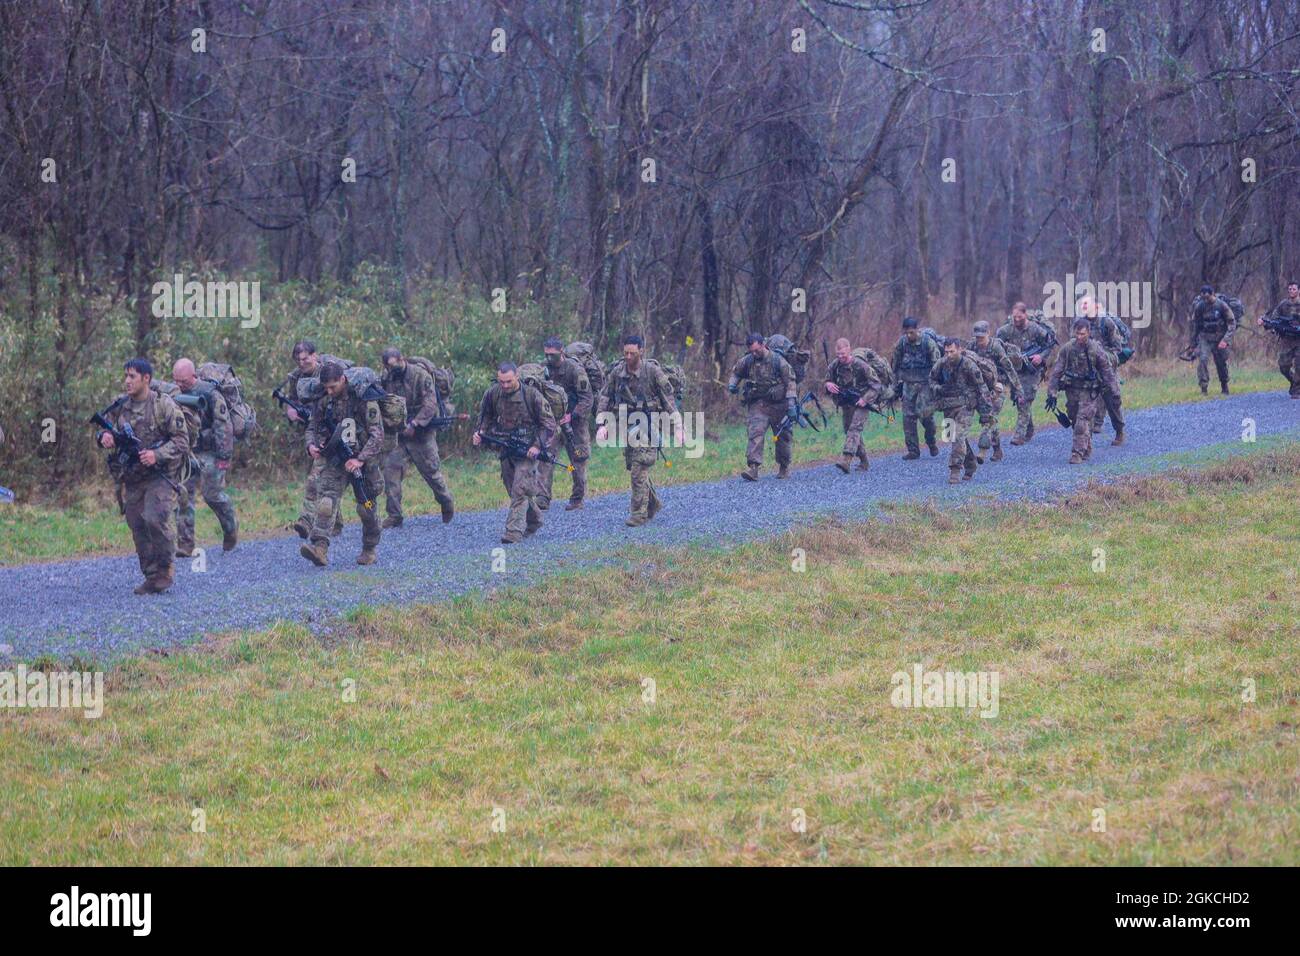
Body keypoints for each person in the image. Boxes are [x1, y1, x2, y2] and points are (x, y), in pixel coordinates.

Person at [95, 359, 190, 593]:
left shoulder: (163, 406)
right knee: (137, 523)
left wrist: (157, 454)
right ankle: (151, 575)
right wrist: (104, 438)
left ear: (146, 379)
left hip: (160, 474)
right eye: (126, 376)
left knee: (155, 518)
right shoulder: (120, 405)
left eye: (132, 376)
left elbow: (182, 441)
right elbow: (103, 430)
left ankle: (165, 570)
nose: (127, 381)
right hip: (133, 476)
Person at [300, 362, 385, 566]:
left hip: (363, 460)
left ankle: (369, 548)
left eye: (333, 387)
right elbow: (313, 425)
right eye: (326, 387)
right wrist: (311, 445)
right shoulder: (324, 400)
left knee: (367, 507)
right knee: (326, 502)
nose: (329, 391)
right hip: (336, 458)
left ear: (343, 380)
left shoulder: (364, 398)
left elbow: (377, 435)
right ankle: (319, 548)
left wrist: (360, 459)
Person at [596, 335, 680, 526]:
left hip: (650, 425)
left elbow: (668, 400)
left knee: (638, 468)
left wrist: (679, 427)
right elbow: (605, 397)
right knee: (634, 466)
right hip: (628, 425)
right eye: (625, 353)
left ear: (641, 351)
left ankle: (638, 514)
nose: (628, 356)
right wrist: (602, 425)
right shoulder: (617, 373)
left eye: (632, 353)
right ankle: (653, 504)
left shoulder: (652, 371)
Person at [473, 362, 556, 544]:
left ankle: (513, 532)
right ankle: (534, 519)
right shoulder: (493, 394)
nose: (504, 386)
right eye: (501, 382)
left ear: (516, 376)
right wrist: (480, 432)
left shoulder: (532, 395)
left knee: (520, 488)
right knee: (513, 489)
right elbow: (485, 415)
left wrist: (537, 446)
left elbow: (549, 424)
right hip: (506, 447)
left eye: (508, 381)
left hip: (528, 450)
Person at [378, 348, 455, 528]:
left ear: (401, 359)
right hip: (398, 434)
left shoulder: (420, 376)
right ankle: (394, 515)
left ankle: (446, 502)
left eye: (393, 364)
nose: (391, 369)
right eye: (387, 366)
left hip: (422, 433)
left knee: (431, 473)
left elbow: (430, 403)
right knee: (390, 472)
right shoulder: (386, 378)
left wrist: (415, 424)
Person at [282, 340, 349, 540]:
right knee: (322, 480)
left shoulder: (327, 373)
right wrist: (291, 411)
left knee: (316, 479)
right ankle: (333, 522)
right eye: (298, 359)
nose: (302, 363)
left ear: (315, 355)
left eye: (305, 358)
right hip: (312, 429)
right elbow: (293, 400)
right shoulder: (296, 378)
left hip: (335, 429)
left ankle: (307, 520)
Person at [172, 358, 238, 554]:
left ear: (193, 376)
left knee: (212, 495)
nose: (179, 385)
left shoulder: (210, 394)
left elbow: (223, 426)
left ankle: (230, 527)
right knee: (183, 495)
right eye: (175, 380)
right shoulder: (176, 394)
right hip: (188, 452)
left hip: (211, 453)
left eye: (182, 381)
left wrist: (224, 458)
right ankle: (185, 544)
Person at [1045, 319, 1122, 464]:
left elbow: (1107, 372)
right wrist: (1052, 392)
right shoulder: (1067, 349)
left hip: (1090, 391)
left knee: (1082, 420)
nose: (1080, 337)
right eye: (1077, 334)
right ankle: (1086, 446)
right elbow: (1056, 371)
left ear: (1088, 333)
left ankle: (1077, 453)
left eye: (1083, 334)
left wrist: (1114, 392)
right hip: (1072, 390)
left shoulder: (1096, 349)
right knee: (1074, 418)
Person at [727, 333, 797, 481]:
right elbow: (736, 372)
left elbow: (790, 382)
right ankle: (753, 468)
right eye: (751, 351)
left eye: (757, 350)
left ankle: (784, 467)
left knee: (782, 437)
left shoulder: (779, 361)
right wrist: (732, 384)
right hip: (759, 404)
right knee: (755, 433)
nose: (754, 353)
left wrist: (791, 405)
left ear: (763, 345)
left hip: (779, 405)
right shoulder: (748, 360)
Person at [928, 338, 992, 484]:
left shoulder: (969, 365)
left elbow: (981, 388)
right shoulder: (941, 364)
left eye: (952, 351)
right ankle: (970, 464)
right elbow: (931, 380)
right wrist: (938, 388)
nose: (949, 355)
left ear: (959, 350)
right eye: (946, 352)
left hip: (966, 406)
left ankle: (955, 470)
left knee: (958, 436)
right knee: (952, 437)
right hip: (948, 406)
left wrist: (986, 411)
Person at [542, 338, 594, 510]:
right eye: (547, 355)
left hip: (575, 422)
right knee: (546, 457)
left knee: (578, 460)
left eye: (553, 355)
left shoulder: (575, 369)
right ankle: (543, 498)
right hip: (552, 422)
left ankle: (577, 499)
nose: (550, 359)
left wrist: (572, 416)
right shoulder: (544, 369)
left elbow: (587, 399)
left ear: (562, 352)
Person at [996, 302, 1057, 444]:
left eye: (1020, 317)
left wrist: (1041, 357)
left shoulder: (1035, 329)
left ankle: (1019, 436)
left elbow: (1049, 344)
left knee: (1025, 399)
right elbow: (997, 346)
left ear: (1025, 315)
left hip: (1032, 371)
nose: (1017, 320)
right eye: (1014, 317)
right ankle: (1029, 429)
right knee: (1019, 400)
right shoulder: (1005, 330)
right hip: (1015, 371)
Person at [823, 337, 882, 474]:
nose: (840, 357)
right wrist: (827, 384)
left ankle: (846, 460)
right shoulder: (834, 365)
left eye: (843, 354)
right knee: (849, 430)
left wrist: (865, 399)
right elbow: (826, 381)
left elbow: (876, 384)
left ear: (849, 350)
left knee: (854, 429)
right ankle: (864, 460)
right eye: (838, 355)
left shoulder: (861, 365)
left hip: (862, 402)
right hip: (847, 403)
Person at [967, 321, 1022, 463]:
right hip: (979, 388)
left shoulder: (996, 347)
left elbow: (1009, 369)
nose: (979, 340)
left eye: (982, 337)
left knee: (989, 418)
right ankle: (997, 449)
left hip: (997, 388)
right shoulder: (971, 346)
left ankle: (982, 450)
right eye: (977, 337)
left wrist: (1018, 389)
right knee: (991, 421)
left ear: (988, 334)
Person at [1075, 297, 1126, 444]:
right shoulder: (1079, 324)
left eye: (1086, 304)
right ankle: (1085, 439)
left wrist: (1102, 356)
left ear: (1095, 306)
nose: (1083, 306)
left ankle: (1119, 431)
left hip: (1107, 369)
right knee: (1084, 404)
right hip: (1087, 371)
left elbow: (1117, 348)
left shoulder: (1106, 323)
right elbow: (1075, 344)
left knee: (1113, 402)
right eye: (1082, 304)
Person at [890, 317, 941, 459]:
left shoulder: (928, 343)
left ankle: (931, 442)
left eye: (911, 332)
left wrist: (935, 385)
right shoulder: (902, 343)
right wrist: (894, 386)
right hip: (908, 385)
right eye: (906, 332)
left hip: (925, 384)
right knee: (908, 418)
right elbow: (895, 365)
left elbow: (937, 365)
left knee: (925, 415)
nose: (908, 335)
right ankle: (913, 450)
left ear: (917, 330)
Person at [1187, 283, 1237, 395]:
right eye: (1203, 298)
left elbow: (1232, 323)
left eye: (1207, 297)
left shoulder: (1222, 306)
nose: (1206, 300)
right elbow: (1196, 326)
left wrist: (1225, 340)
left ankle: (1224, 385)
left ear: (1212, 294)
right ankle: (1203, 388)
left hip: (1220, 338)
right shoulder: (1200, 306)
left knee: (1220, 362)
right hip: (1205, 338)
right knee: (1203, 360)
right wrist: (1192, 344)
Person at [1258, 281, 1300, 397]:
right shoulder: (1283, 304)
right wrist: (1265, 323)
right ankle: (1293, 381)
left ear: (1299, 291)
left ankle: (1296, 391)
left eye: (1294, 289)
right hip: (1286, 340)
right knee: (1283, 366)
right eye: (1290, 289)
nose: (1291, 291)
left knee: (1299, 366)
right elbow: (1275, 319)